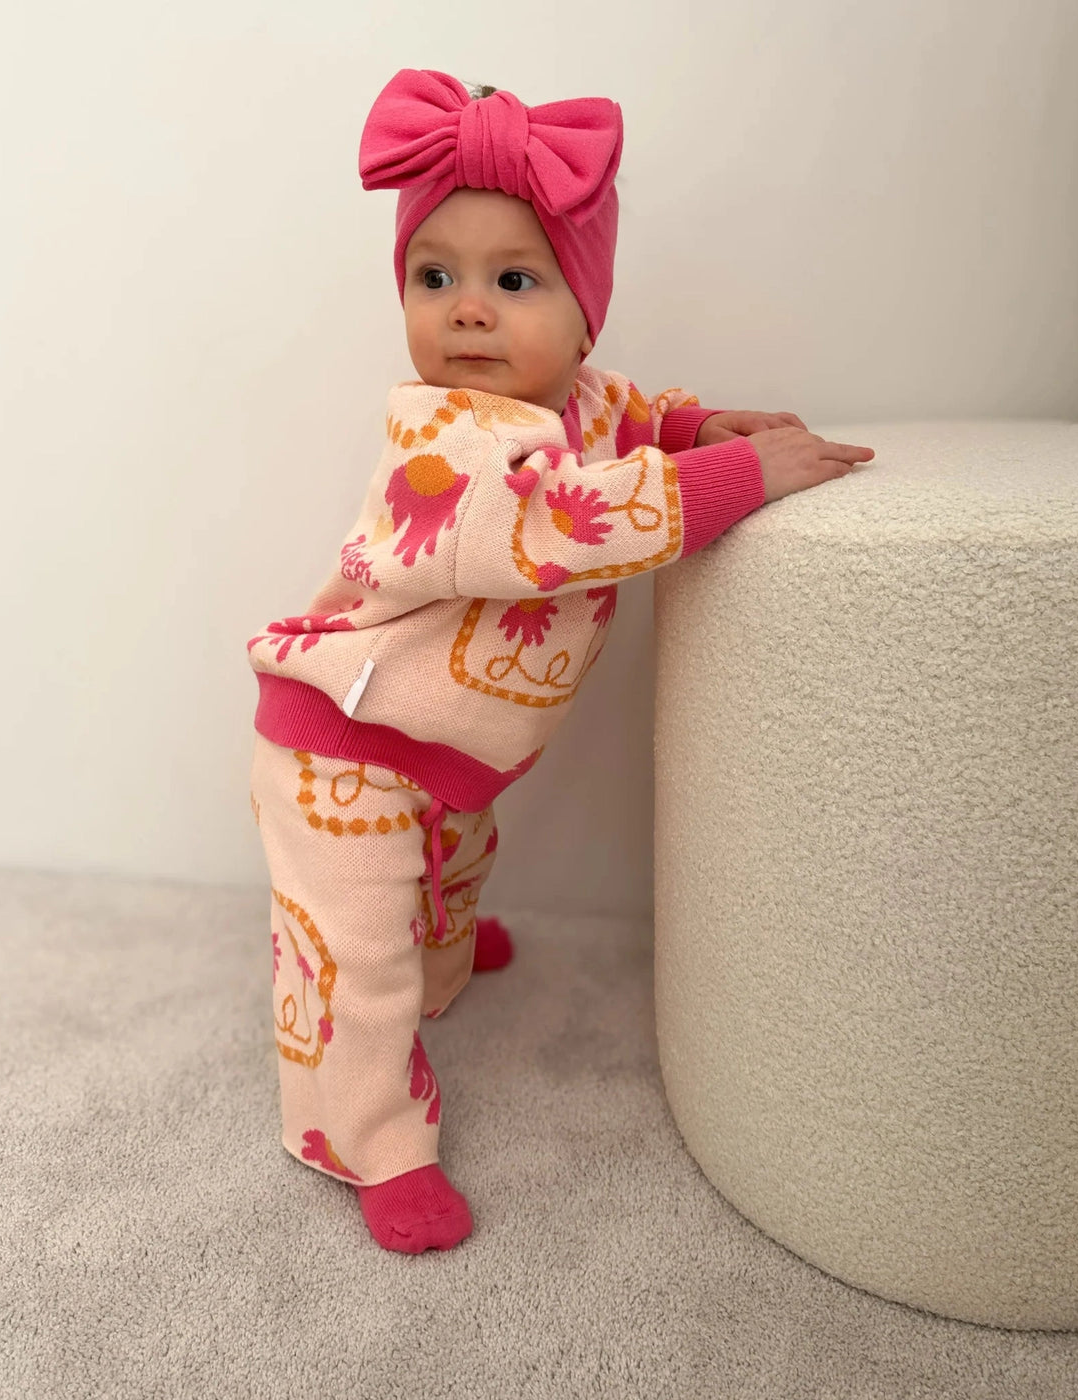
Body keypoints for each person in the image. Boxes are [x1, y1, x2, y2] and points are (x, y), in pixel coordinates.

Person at [246, 67, 875, 1254]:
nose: (467, 313)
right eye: (434, 277)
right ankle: (372, 1140)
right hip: (342, 746)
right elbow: (546, 526)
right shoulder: (443, 433)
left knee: (454, 865)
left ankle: (442, 948)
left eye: (513, 280)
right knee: (353, 965)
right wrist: (736, 476)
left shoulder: (575, 399)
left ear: (585, 316)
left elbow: (630, 416)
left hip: (445, 752)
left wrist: (696, 427)